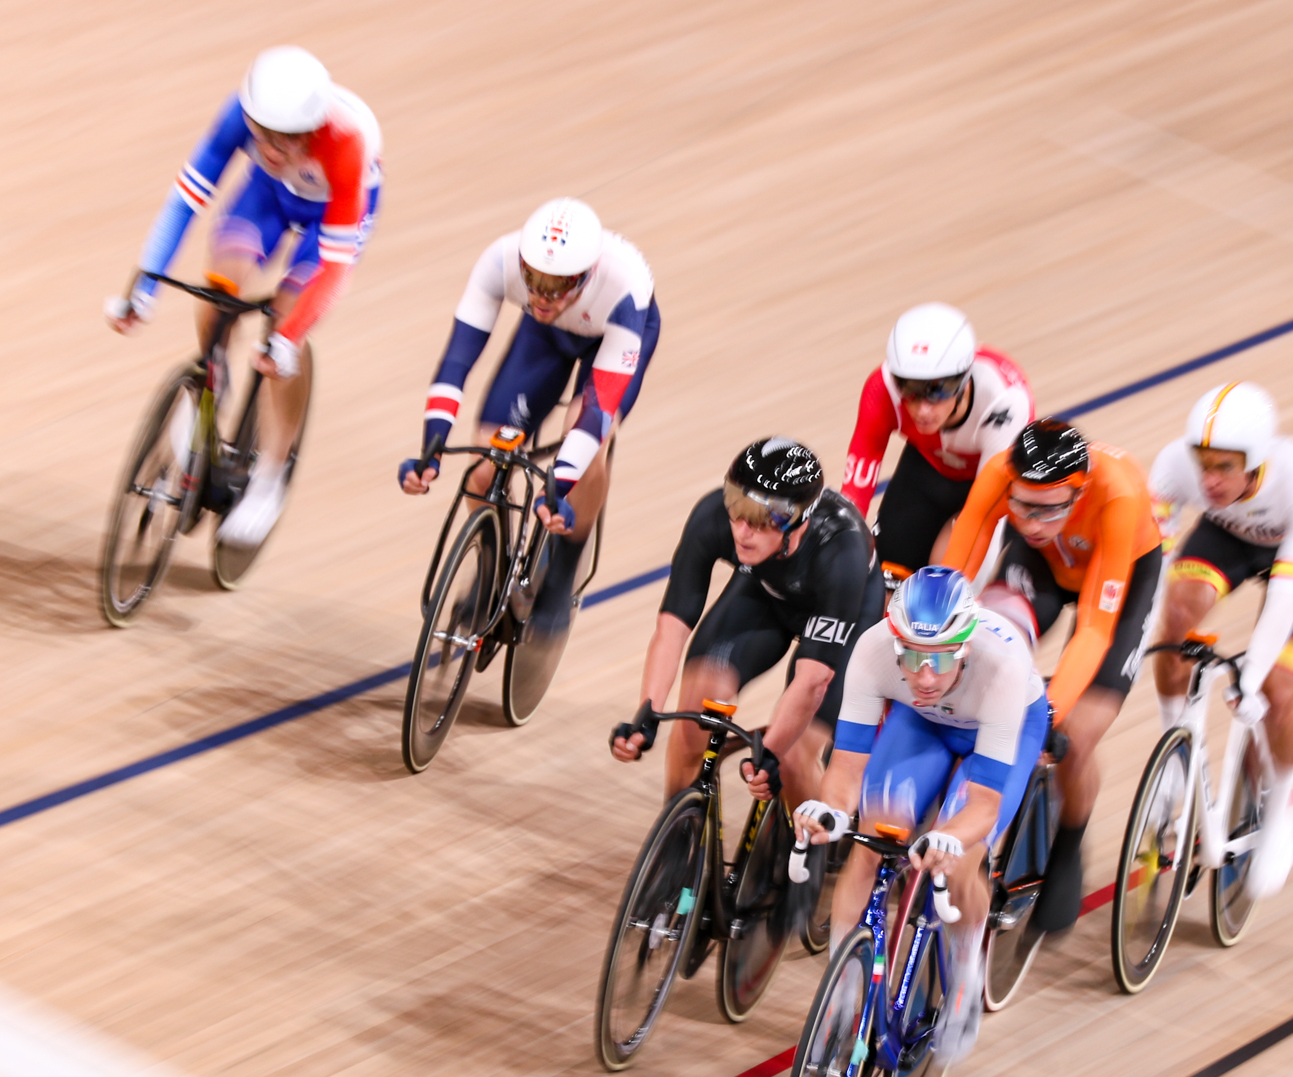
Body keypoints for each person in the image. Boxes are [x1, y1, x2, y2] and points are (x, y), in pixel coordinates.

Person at [105, 46, 382, 547]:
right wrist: (144, 288)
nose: (273, 148)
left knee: (284, 322)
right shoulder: (239, 114)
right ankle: (214, 389)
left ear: (314, 129)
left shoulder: (345, 143)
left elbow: (336, 265)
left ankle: (270, 476)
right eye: (263, 133)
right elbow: (185, 201)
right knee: (219, 288)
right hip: (270, 198)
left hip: (332, 218)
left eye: (288, 138)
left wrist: (289, 338)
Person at [792, 566, 1050, 1065]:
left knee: (958, 865)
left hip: (1000, 734)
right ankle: (842, 995)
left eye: (939, 660)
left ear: (965, 647)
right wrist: (832, 812)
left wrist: (949, 837)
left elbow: (983, 804)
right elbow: (846, 767)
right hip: (923, 724)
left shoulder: (1003, 669)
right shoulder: (872, 649)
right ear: (895, 642)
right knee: (869, 844)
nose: (925, 676)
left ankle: (966, 971)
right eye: (911, 657)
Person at [940, 418, 1163, 936]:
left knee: (1078, 734)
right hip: (1040, 567)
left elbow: (1094, 628)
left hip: (1119, 578)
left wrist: (1051, 712)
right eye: (1021, 505)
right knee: (979, 665)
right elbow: (955, 576)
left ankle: (1068, 844)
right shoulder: (1000, 475)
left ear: (1079, 490)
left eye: (1049, 507)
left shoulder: (1117, 496)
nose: (1033, 520)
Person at [400, 198, 658, 622]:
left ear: (586, 276)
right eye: (533, 280)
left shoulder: (624, 288)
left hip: (615, 339)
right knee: (485, 464)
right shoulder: (499, 260)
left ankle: (564, 565)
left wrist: (557, 483)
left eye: (557, 287)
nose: (541, 296)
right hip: (545, 340)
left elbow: (596, 414)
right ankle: (490, 565)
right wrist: (433, 443)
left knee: (588, 439)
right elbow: (456, 364)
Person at [610, 439, 884, 811]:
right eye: (737, 507)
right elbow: (672, 625)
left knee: (793, 758)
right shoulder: (712, 517)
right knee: (694, 716)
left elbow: (813, 680)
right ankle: (678, 845)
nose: (742, 530)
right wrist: (647, 712)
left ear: (798, 519)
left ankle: (810, 852)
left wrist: (771, 754)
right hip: (766, 596)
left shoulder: (841, 549)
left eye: (761, 518)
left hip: (846, 613)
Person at [1147, 381, 1293, 897]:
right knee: (1176, 617)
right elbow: (1153, 565)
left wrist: (1250, 676)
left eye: (1224, 467)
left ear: (1255, 463)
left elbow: (1287, 594)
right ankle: (1176, 761)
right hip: (1225, 537)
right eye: (1203, 464)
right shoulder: (1172, 467)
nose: (1208, 480)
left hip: (1292, 558)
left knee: (1278, 689)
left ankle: (1280, 810)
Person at [839, 304, 1034, 572]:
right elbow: (855, 490)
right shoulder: (881, 389)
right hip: (928, 471)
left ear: (965, 379)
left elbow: (984, 515)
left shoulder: (1004, 402)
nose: (923, 410)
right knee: (886, 579)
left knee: (944, 580)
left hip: (989, 486)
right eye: (909, 390)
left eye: (939, 391)